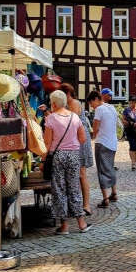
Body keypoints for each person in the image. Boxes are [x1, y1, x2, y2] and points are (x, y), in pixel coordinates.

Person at [44, 90, 91, 234]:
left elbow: (47, 143)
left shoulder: (51, 118)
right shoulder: (75, 117)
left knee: (59, 189)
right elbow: (83, 139)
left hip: (58, 156)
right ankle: (82, 224)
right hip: (74, 155)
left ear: (53, 103)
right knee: (74, 188)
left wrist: (43, 160)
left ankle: (64, 226)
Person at [60, 83, 94, 215]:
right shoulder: (67, 104)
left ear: (67, 94)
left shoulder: (73, 103)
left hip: (79, 140)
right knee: (75, 174)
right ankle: (76, 203)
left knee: (81, 173)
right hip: (74, 140)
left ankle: (86, 205)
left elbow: (71, 124)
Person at [88, 90, 119, 208]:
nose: (91, 106)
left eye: (91, 103)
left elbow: (95, 129)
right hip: (113, 143)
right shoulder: (111, 107)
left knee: (102, 170)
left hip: (102, 143)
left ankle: (105, 199)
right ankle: (114, 193)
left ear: (96, 99)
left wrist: (91, 135)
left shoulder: (99, 109)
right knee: (110, 167)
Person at [122, 95, 136, 171]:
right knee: (132, 145)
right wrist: (131, 124)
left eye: (135, 102)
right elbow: (123, 120)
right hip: (129, 130)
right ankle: (133, 164)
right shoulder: (126, 110)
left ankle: (135, 161)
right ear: (129, 102)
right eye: (131, 102)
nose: (133, 103)